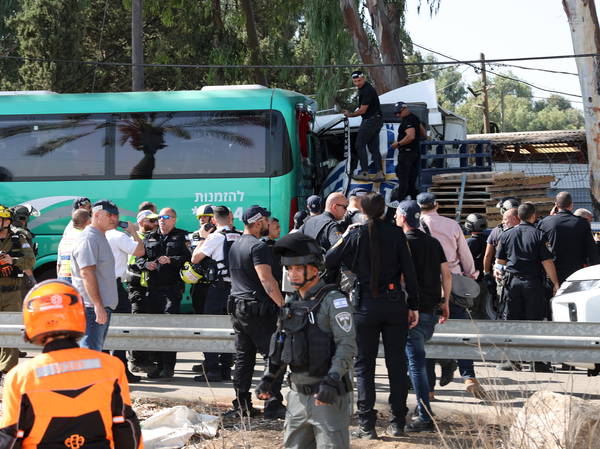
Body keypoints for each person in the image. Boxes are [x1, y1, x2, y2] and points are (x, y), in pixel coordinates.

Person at [0, 280, 143, 449]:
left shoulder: (20, 377)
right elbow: (125, 427)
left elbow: (11, 437)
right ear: (79, 315)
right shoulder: (111, 366)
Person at [326, 192, 419, 439]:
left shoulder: (355, 233)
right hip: (394, 303)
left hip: (364, 304)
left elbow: (329, 260)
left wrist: (344, 236)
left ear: (363, 211)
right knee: (396, 364)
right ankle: (398, 421)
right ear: (384, 211)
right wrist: (414, 305)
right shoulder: (396, 233)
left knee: (364, 366)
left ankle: (367, 424)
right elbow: (410, 273)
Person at [256, 232, 357, 448]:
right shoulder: (291, 304)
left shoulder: (334, 301)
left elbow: (346, 346)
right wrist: (269, 377)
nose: (291, 274)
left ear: (313, 268)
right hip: (297, 398)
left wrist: (332, 380)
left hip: (328, 397)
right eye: (289, 269)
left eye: (296, 268)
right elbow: (281, 345)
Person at [417, 192, 487, 399]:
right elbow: (464, 254)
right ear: (436, 204)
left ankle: (428, 388)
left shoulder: (413, 226)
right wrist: (471, 274)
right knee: (460, 331)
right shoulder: (451, 225)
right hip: (453, 283)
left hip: (425, 286)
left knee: (426, 335)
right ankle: (469, 376)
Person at [395, 200, 451, 432]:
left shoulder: (402, 243)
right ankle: (423, 408)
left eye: (397, 215)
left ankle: (425, 417)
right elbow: (446, 275)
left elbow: (401, 278)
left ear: (403, 218)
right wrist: (445, 301)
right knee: (419, 357)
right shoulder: (433, 242)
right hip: (431, 309)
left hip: (412, 311)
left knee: (415, 363)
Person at [227, 205, 286, 419]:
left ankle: (242, 404)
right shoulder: (258, 247)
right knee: (275, 357)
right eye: (267, 221)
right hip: (258, 310)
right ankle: (272, 403)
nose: (269, 225)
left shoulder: (235, 245)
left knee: (244, 358)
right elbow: (266, 280)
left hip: (238, 309)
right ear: (259, 222)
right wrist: (282, 304)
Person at [495, 202, 560, 372]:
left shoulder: (506, 235)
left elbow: (500, 262)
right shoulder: (539, 235)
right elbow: (547, 262)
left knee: (512, 321)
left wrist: (497, 273)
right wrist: (555, 283)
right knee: (535, 321)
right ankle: (536, 362)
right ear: (532, 216)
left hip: (512, 284)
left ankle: (512, 361)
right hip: (533, 283)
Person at [136, 207, 190, 379]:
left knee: (170, 328)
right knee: (155, 329)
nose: (162, 220)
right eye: (160, 217)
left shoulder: (182, 236)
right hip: (152, 290)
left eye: (166, 217)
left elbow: (188, 258)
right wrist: (145, 265)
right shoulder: (149, 237)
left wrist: (172, 260)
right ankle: (157, 364)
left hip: (171, 289)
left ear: (174, 219)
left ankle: (168, 366)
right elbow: (139, 258)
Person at [190, 205, 241, 383]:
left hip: (218, 289)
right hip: (236, 288)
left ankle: (213, 370)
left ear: (213, 220)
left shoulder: (215, 237)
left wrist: (204, 238)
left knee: (210, 328)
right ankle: (226, 369)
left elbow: (195, 258)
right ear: (230, 217)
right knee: (230, 329)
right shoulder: (240, 235)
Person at [71, 200, 121, 351]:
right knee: (90, 354)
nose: (115, 219)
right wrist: (98, 306)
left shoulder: (99, 236)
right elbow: (87, 273)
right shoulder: (89, 238)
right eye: (110, 215)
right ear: (97, 215)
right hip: (91, 308)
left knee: (94, 353)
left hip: (97, 307)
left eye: (116, 215)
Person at [106, 219, 145, 383]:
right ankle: (120, 371)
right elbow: (139, 251)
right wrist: (133, 232)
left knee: (102, 328)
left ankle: (104, 371)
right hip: (114, 285)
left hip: (98, 285)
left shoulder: (97, 235)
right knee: (121, 328)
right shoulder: (118, 236)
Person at [0, 204, 36, 380]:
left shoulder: (19, 238)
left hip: (12, 293)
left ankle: (8, 373)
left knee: (9, 333)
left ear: (6, 221)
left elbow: (30, 261)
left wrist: (12, 260)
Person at [537, 192, 599, 284]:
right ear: (571, 205)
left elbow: (539, 248)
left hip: (553, 273)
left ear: (556, 205)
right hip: (576, 272)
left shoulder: (545, 223)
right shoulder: (582, 223)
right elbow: (591, 251)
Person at [126, 210, 159, 374]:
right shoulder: (132, 238)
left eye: (156, 220)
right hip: (136, 287)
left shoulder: (153, 237)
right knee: (137, 323)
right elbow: (133, 261)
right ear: (140, 222)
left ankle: (146, 357)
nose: (155, 223)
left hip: (150, 288)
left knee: (148, 324)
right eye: (151, 221)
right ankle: (136, 360)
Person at [343, 71, 384, 182]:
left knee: (359, 144)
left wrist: (349, 115)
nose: (357, 83)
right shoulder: (365, 89)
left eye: (359, 80)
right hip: (377, 119)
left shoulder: (366, 90)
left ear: (364, 78)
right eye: (355, 81)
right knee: (373, 148)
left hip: (370, 120)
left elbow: (363, 110)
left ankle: (365, 172)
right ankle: (380, 173)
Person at [391, 102, 426, 201]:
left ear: (405, 109)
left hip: (406, 153)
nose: (397, 115)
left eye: (399, 112)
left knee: (403, 179)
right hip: (414, 153)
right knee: (411, 179)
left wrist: (397, 144)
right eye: (396, 113)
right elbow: (423, 133)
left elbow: (410, 136)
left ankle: (399, 202)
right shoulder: (415, 118)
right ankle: (416, 200)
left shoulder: (407, 120)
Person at [189, 204, 215, 315]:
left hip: (215, 284)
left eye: (205, 216)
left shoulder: (219, 235)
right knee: (199, 313)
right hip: (198, 283)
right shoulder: (192, 236)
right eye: (200, 217)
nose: (202, 219)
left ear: (213, 218)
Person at [57, 209, 91, 283]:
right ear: (88, 221)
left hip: (63, 277)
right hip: (77, 278)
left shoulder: (65, 237)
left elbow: (59, 264)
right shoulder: (85, 237)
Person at [465, 213, 489, 319]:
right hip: (486, 280)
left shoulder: (469, 242)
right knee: (483, 311)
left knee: (471, 312)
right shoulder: (488, 239)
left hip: (472, 282)